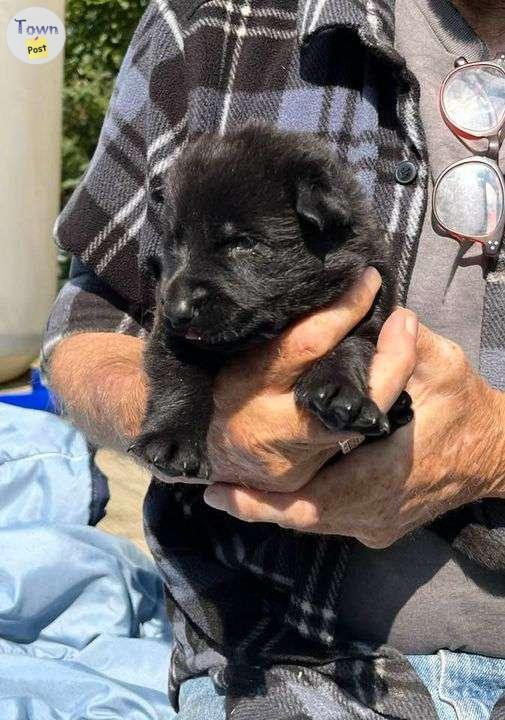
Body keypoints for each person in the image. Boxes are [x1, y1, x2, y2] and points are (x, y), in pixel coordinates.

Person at [43, 0, 505, 717]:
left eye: (235, 248)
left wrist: (491, 448)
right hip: (278, 657)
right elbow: (90, 319)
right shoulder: (211, 21)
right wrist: (200, 427)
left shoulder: (327, 239)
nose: (184, 292)